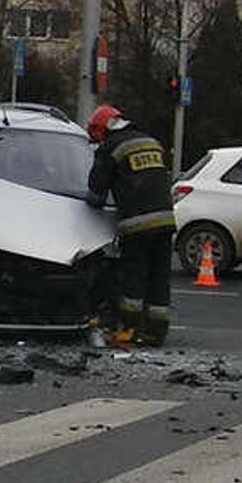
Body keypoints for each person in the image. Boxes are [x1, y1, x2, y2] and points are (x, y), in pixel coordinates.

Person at [85, 104, 176, 344]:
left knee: (133, 277)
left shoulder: (110, 148)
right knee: (159, 277)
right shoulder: (150, 141)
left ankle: (127, 328)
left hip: (137, 224)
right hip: (166, 220)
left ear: (102, 129)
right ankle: (155, 332)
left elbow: (95, 194)